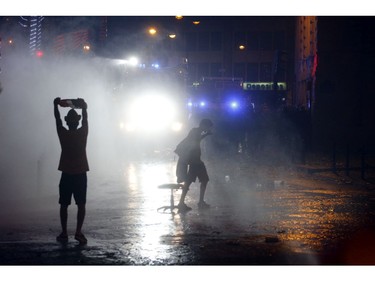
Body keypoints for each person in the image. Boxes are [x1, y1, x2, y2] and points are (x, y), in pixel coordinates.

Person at [54, 97, 89, 244]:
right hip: (80, 172)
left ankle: (64, 233)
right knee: (81, 205)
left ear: (67, 122)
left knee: (64, 205)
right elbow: (85, 120)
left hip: (66, 173)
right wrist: (84, 108)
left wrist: (55, 106)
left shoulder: (63, 134)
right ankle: (78, 232)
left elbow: (58, 120)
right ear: (78, 121)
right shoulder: (82, 133)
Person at [174, 118, 213, 212]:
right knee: (194, 181)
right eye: (208, 127)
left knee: (202, 180)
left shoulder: (196, 131)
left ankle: (194, 202)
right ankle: (185, 203)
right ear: (204, 125)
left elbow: (197, 140)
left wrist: (206, 134)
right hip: (194, 161)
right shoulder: (195, 131)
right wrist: (206, 134)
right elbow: (195, 141)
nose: (208, 128)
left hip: (195, 161)